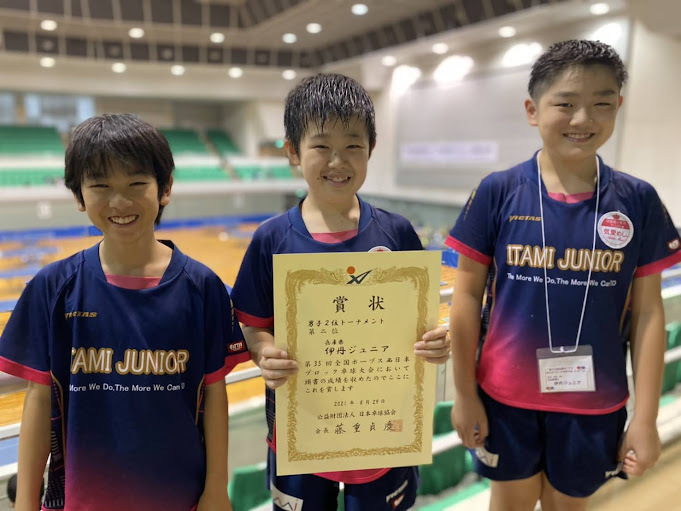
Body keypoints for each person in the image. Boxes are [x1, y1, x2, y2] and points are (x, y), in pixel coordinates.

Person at [447, 39, 681, 511]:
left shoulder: (637, 201)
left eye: (600, 104)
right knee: (508, 503)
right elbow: (467, 297)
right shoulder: (499, 191)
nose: (582, 119)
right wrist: (464, 394)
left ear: (618, 107)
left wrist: (645, 417)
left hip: (595, 404)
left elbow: (650, 314)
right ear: (533, 110)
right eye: (566, 104)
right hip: (504, 398)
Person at [0, 114, 249, 511]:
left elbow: (215, 394)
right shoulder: (52, 287)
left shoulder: (202, 287)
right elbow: (38, 398)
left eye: (136, 183)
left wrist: (215, 489)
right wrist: (25, 503)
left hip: (179, 498)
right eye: (100, 186)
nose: (119, 201)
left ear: (165, 188)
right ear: (79, 196)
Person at [230, 73, 451, 511]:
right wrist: (265, 352)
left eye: (353, 145)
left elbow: (420, 328)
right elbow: (253, 327)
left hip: (384, 436)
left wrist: (435, 344)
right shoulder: (271, 239)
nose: (338, 160)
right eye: (321, 146)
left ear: (370, 149)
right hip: (299, 438)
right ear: (293, 151)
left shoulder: (397, 232)